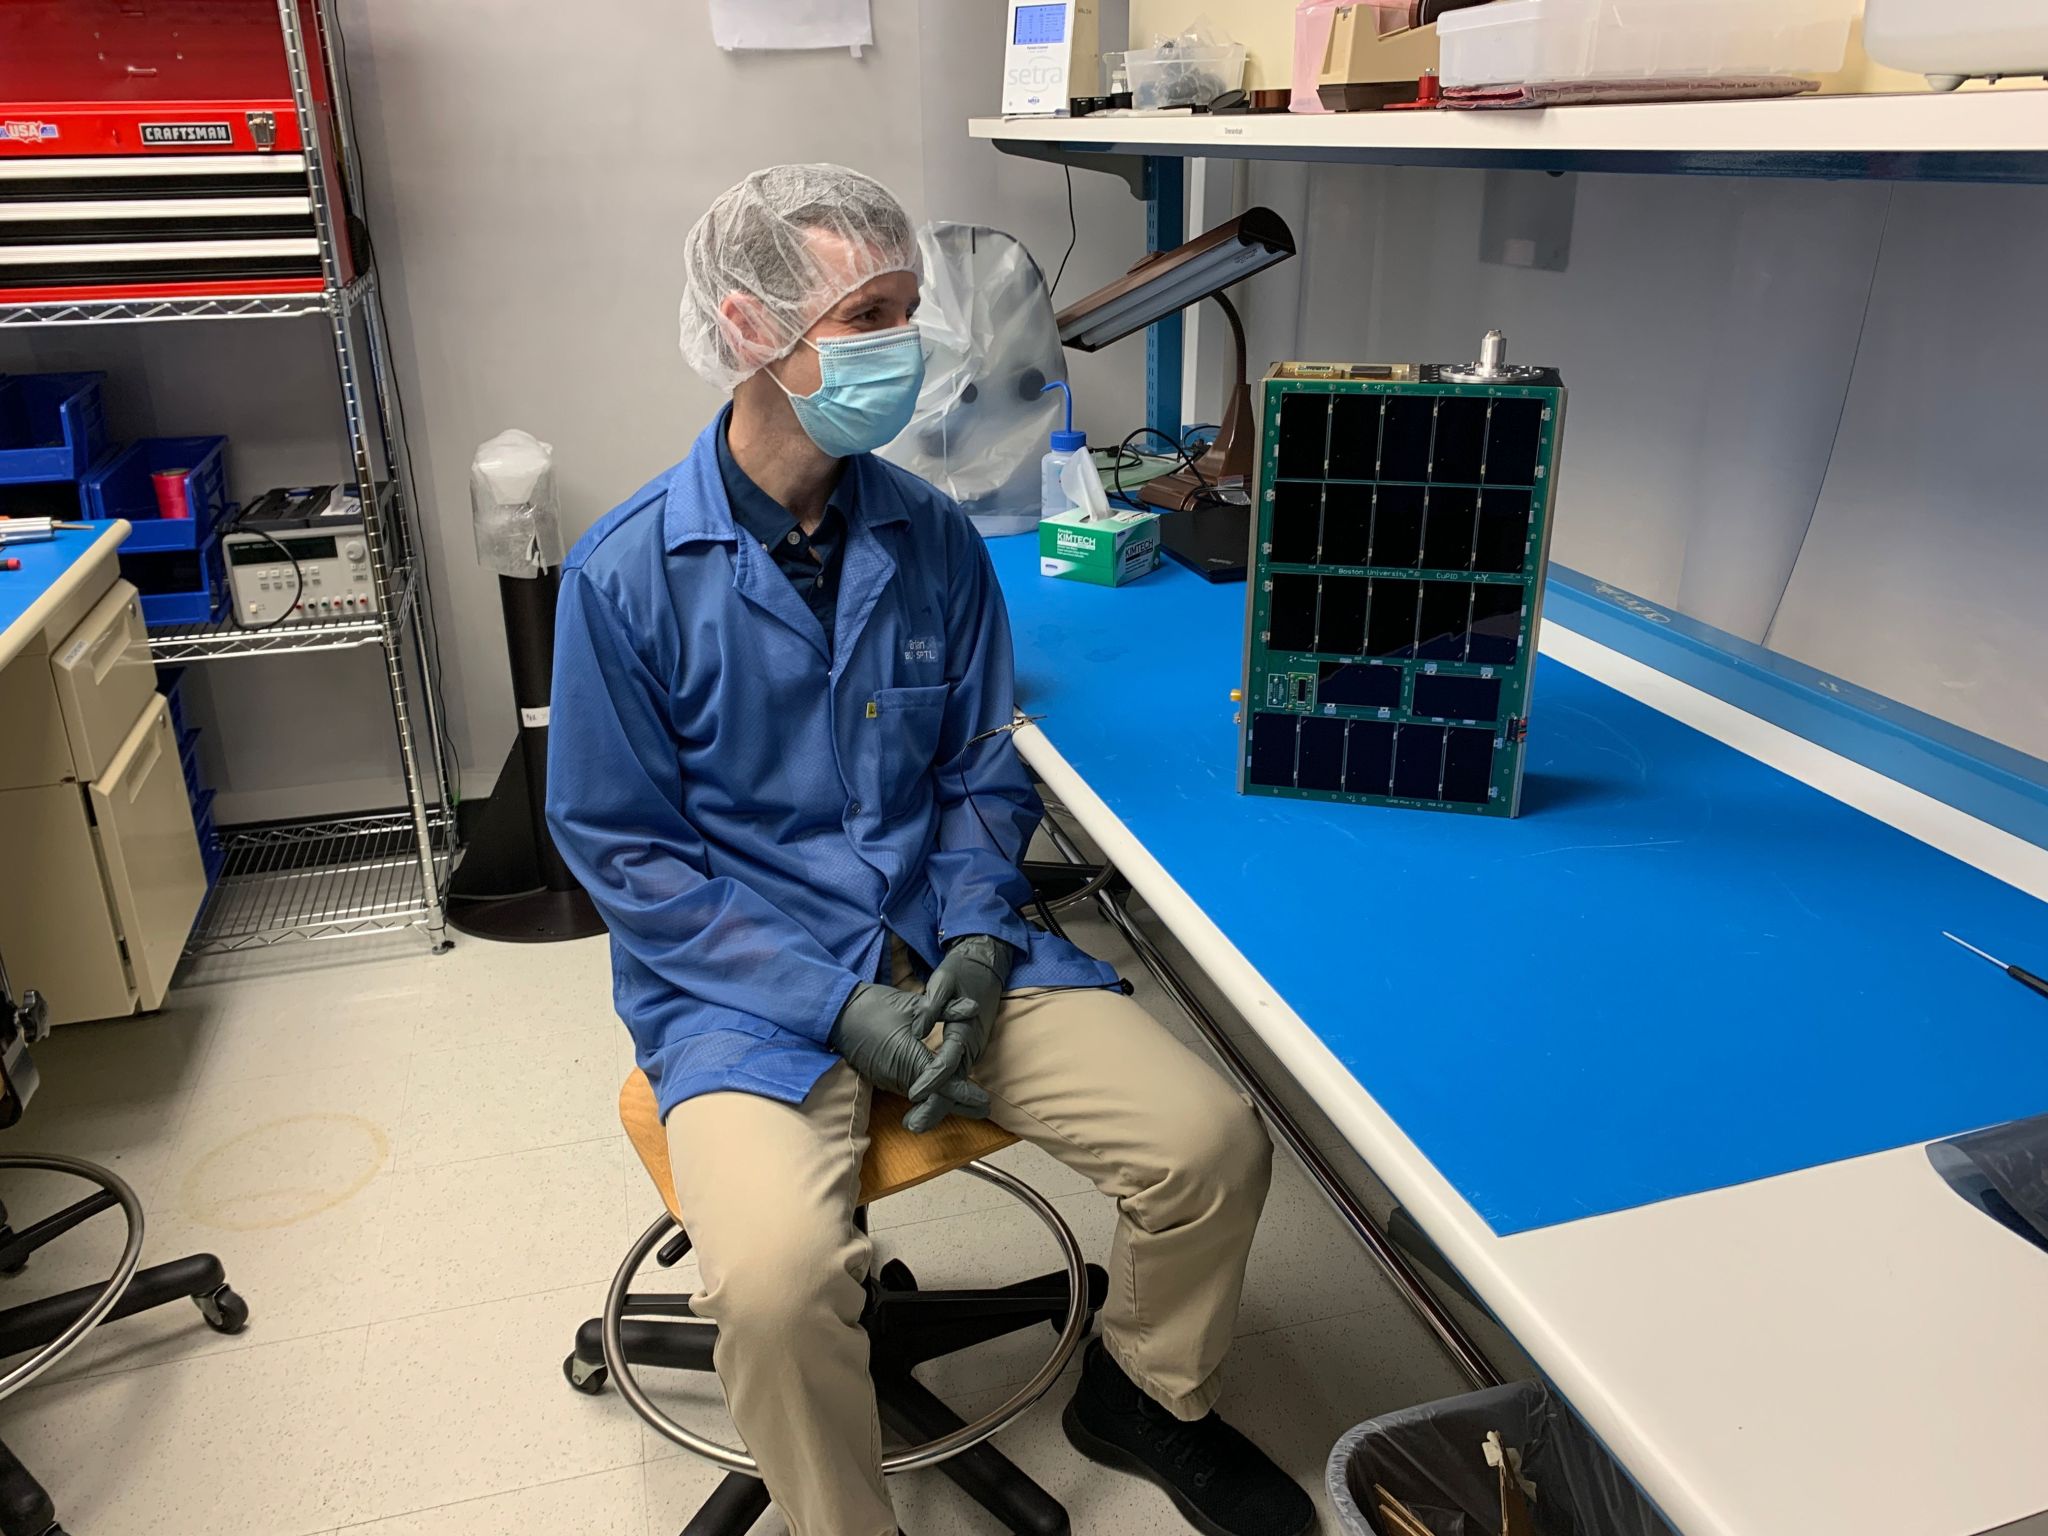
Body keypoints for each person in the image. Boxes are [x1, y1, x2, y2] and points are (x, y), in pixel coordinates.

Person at [546, 163, 1313, 1536]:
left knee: (1210, 1144)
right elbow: (626, 853)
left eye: (910, 309)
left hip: (952, 955)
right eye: (873, 315)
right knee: (778, 1286)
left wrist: (968, 931)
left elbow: (977, 768)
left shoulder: (934, 540)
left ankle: (1145, 1392)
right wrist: (838, 1004)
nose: (910, 347)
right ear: (749, 331)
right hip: (749, 1001)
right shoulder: (625, 576)